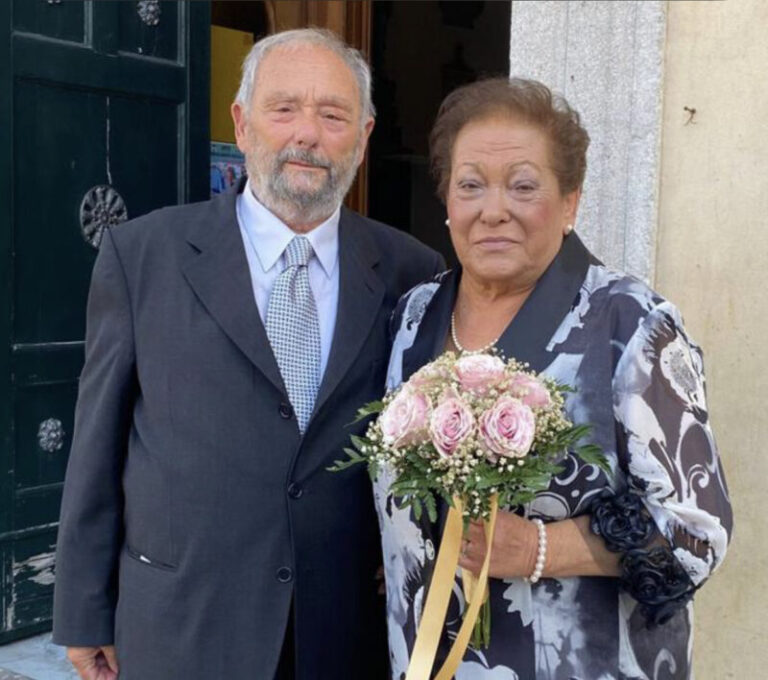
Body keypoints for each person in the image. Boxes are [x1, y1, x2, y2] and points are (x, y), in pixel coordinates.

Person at [52, 28, 443, 680]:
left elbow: (423, 447)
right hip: (183, 623)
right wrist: (81, 609)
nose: (307, 135)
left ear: (366, 135)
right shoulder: (142, 256)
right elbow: (97, 446)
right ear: (242, 122)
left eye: (332, 115)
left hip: (344, 633)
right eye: (283, 108)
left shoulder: (412, 271)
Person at [375, 77, 732, 679]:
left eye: (522, 186)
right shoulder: (413, 318)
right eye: (471, 186)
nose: (494, 210)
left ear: (569, 202)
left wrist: (541, 549)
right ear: (446, 202)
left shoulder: (630, 324)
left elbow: (698, 535)